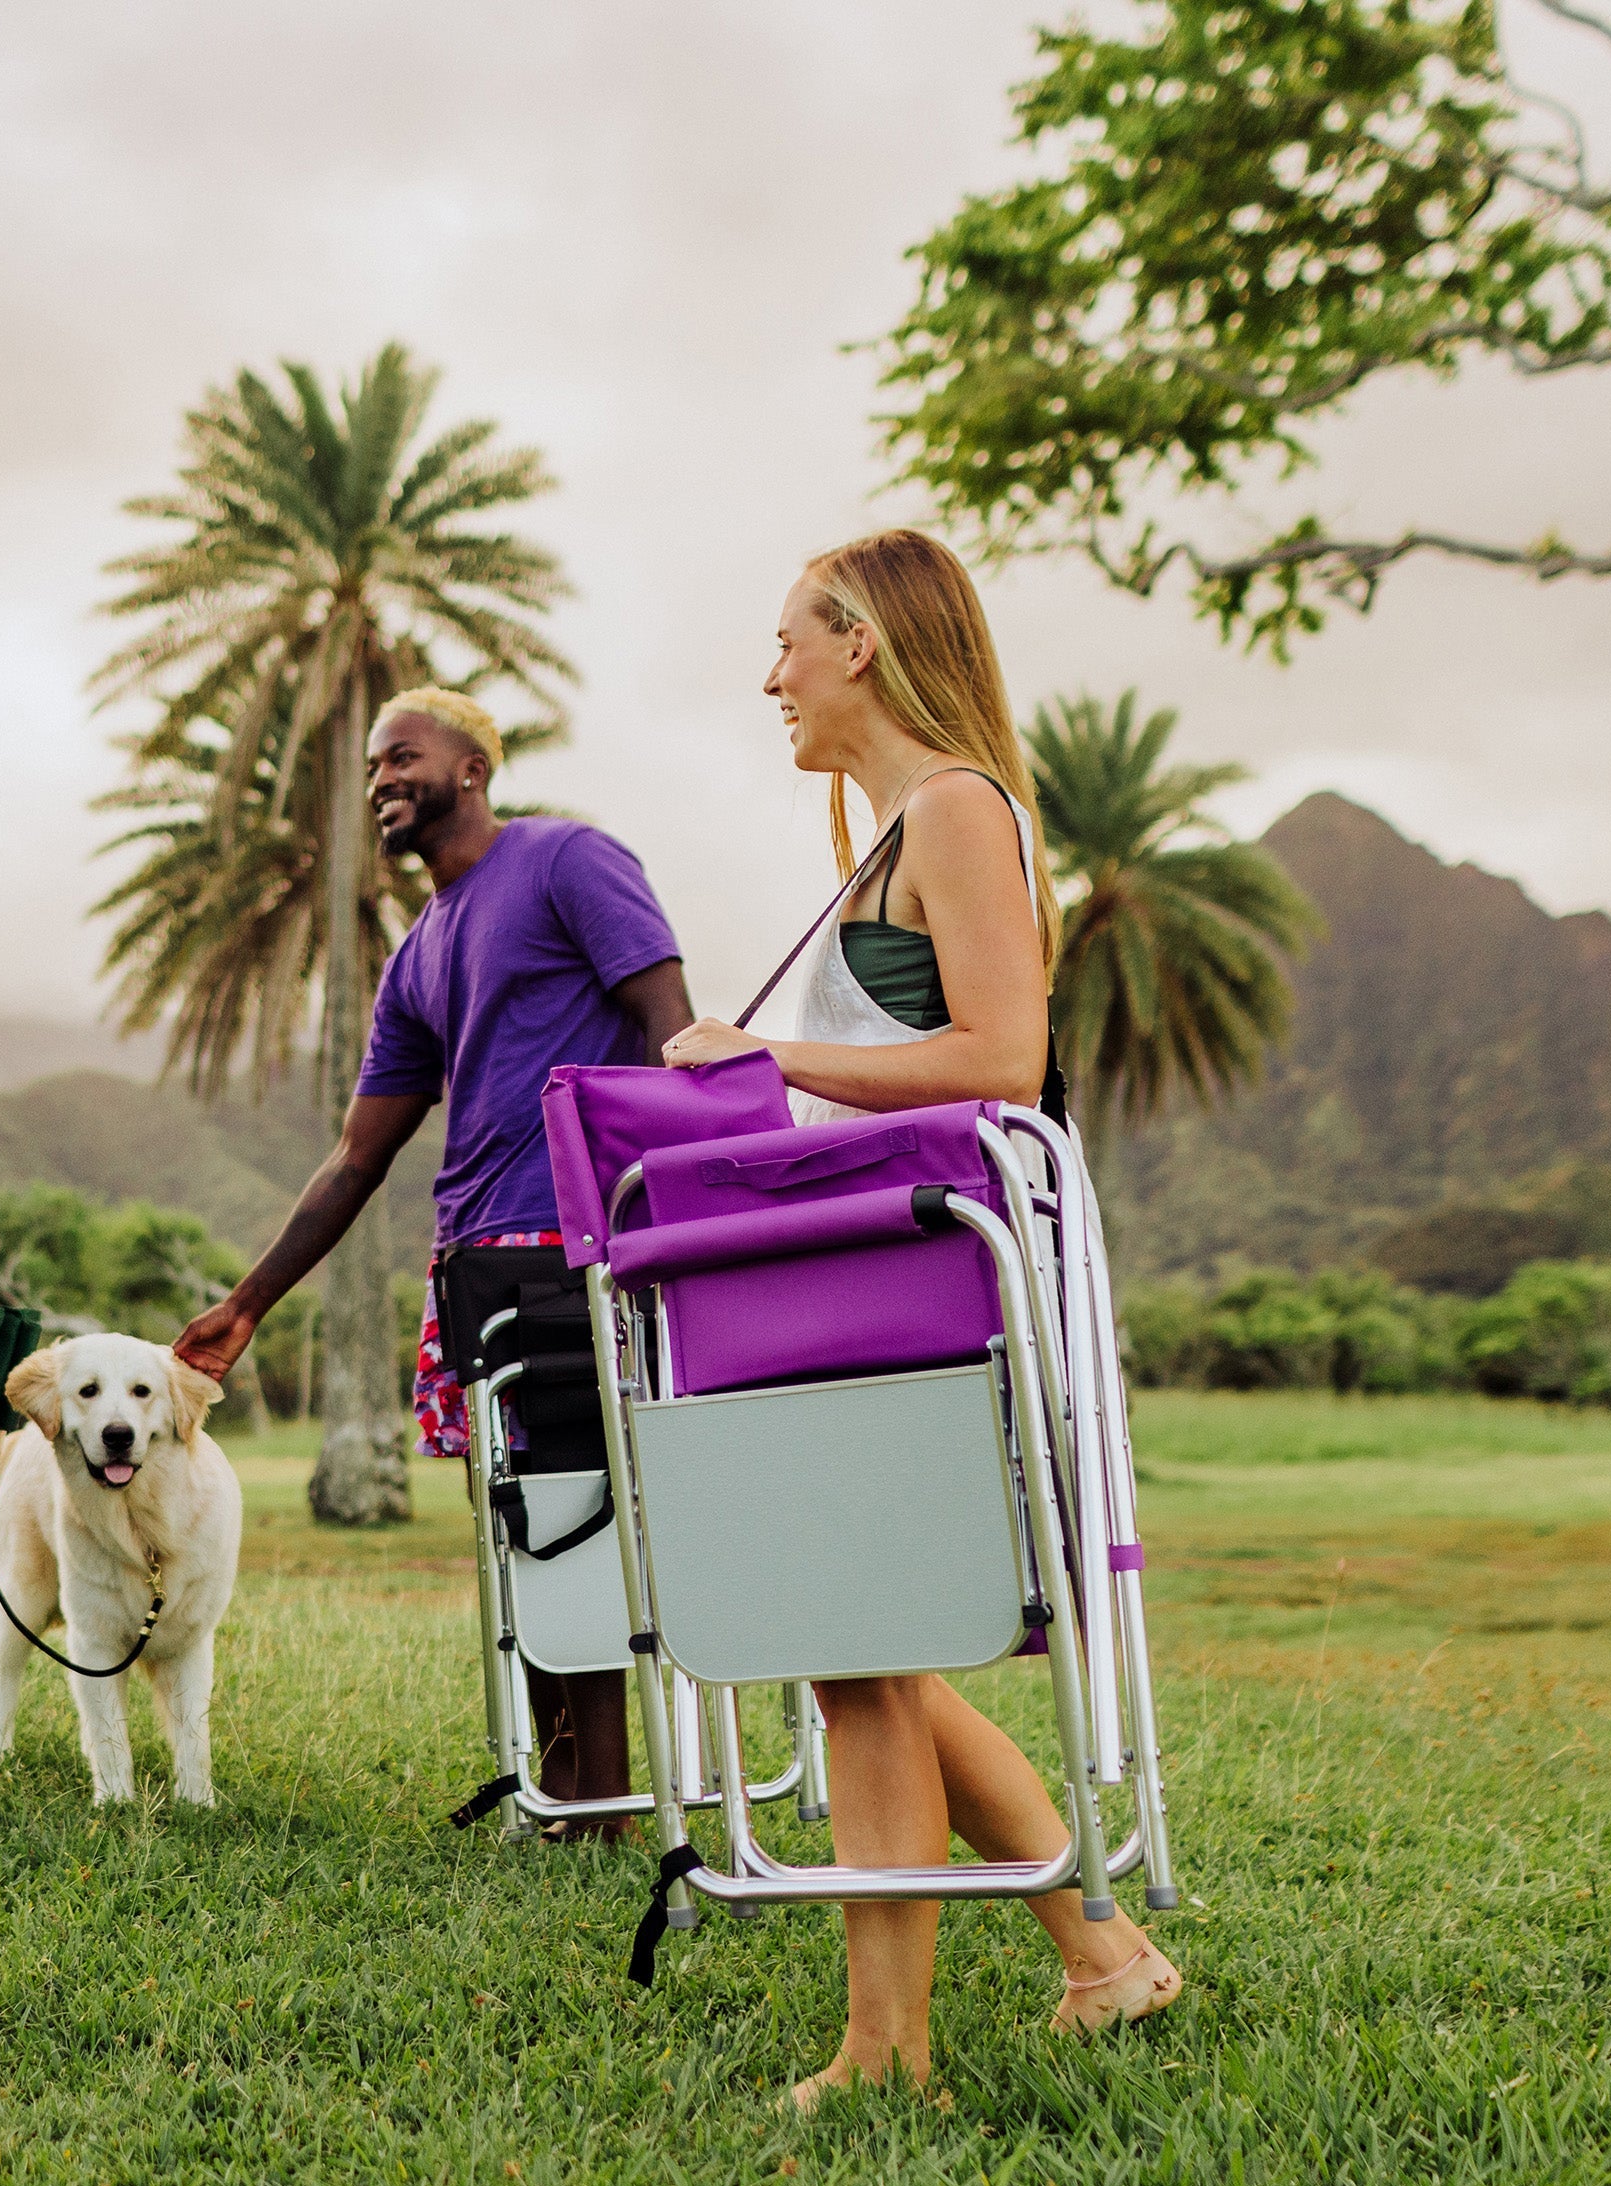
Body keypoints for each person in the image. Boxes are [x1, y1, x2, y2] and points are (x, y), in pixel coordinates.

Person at [661, 527, 1182, 2105]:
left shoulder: (953, 810)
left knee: (859, 1645)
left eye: (788, 643)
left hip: (935, 1301)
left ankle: (888, 2056)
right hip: (882, 1299)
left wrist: (770, 1064)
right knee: (870, 1653)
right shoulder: (888, 838)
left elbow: (1004, 1058)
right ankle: (1104, 1957)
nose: (772, 678)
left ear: (863, 644)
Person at [171, 688, 693, 1830]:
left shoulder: (568, 860)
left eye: (400, 754)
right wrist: (248, 1302)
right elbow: (359, 1154)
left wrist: (663, 1219)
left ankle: (597, 1807)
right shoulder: (420, 953)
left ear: (474, 762)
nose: (379, 780)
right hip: (473, 1263)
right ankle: (565, 1794)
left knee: (576, 1518)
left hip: (577, 1243)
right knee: (522, 1526)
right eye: (369, 766)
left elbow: (671, 1027)